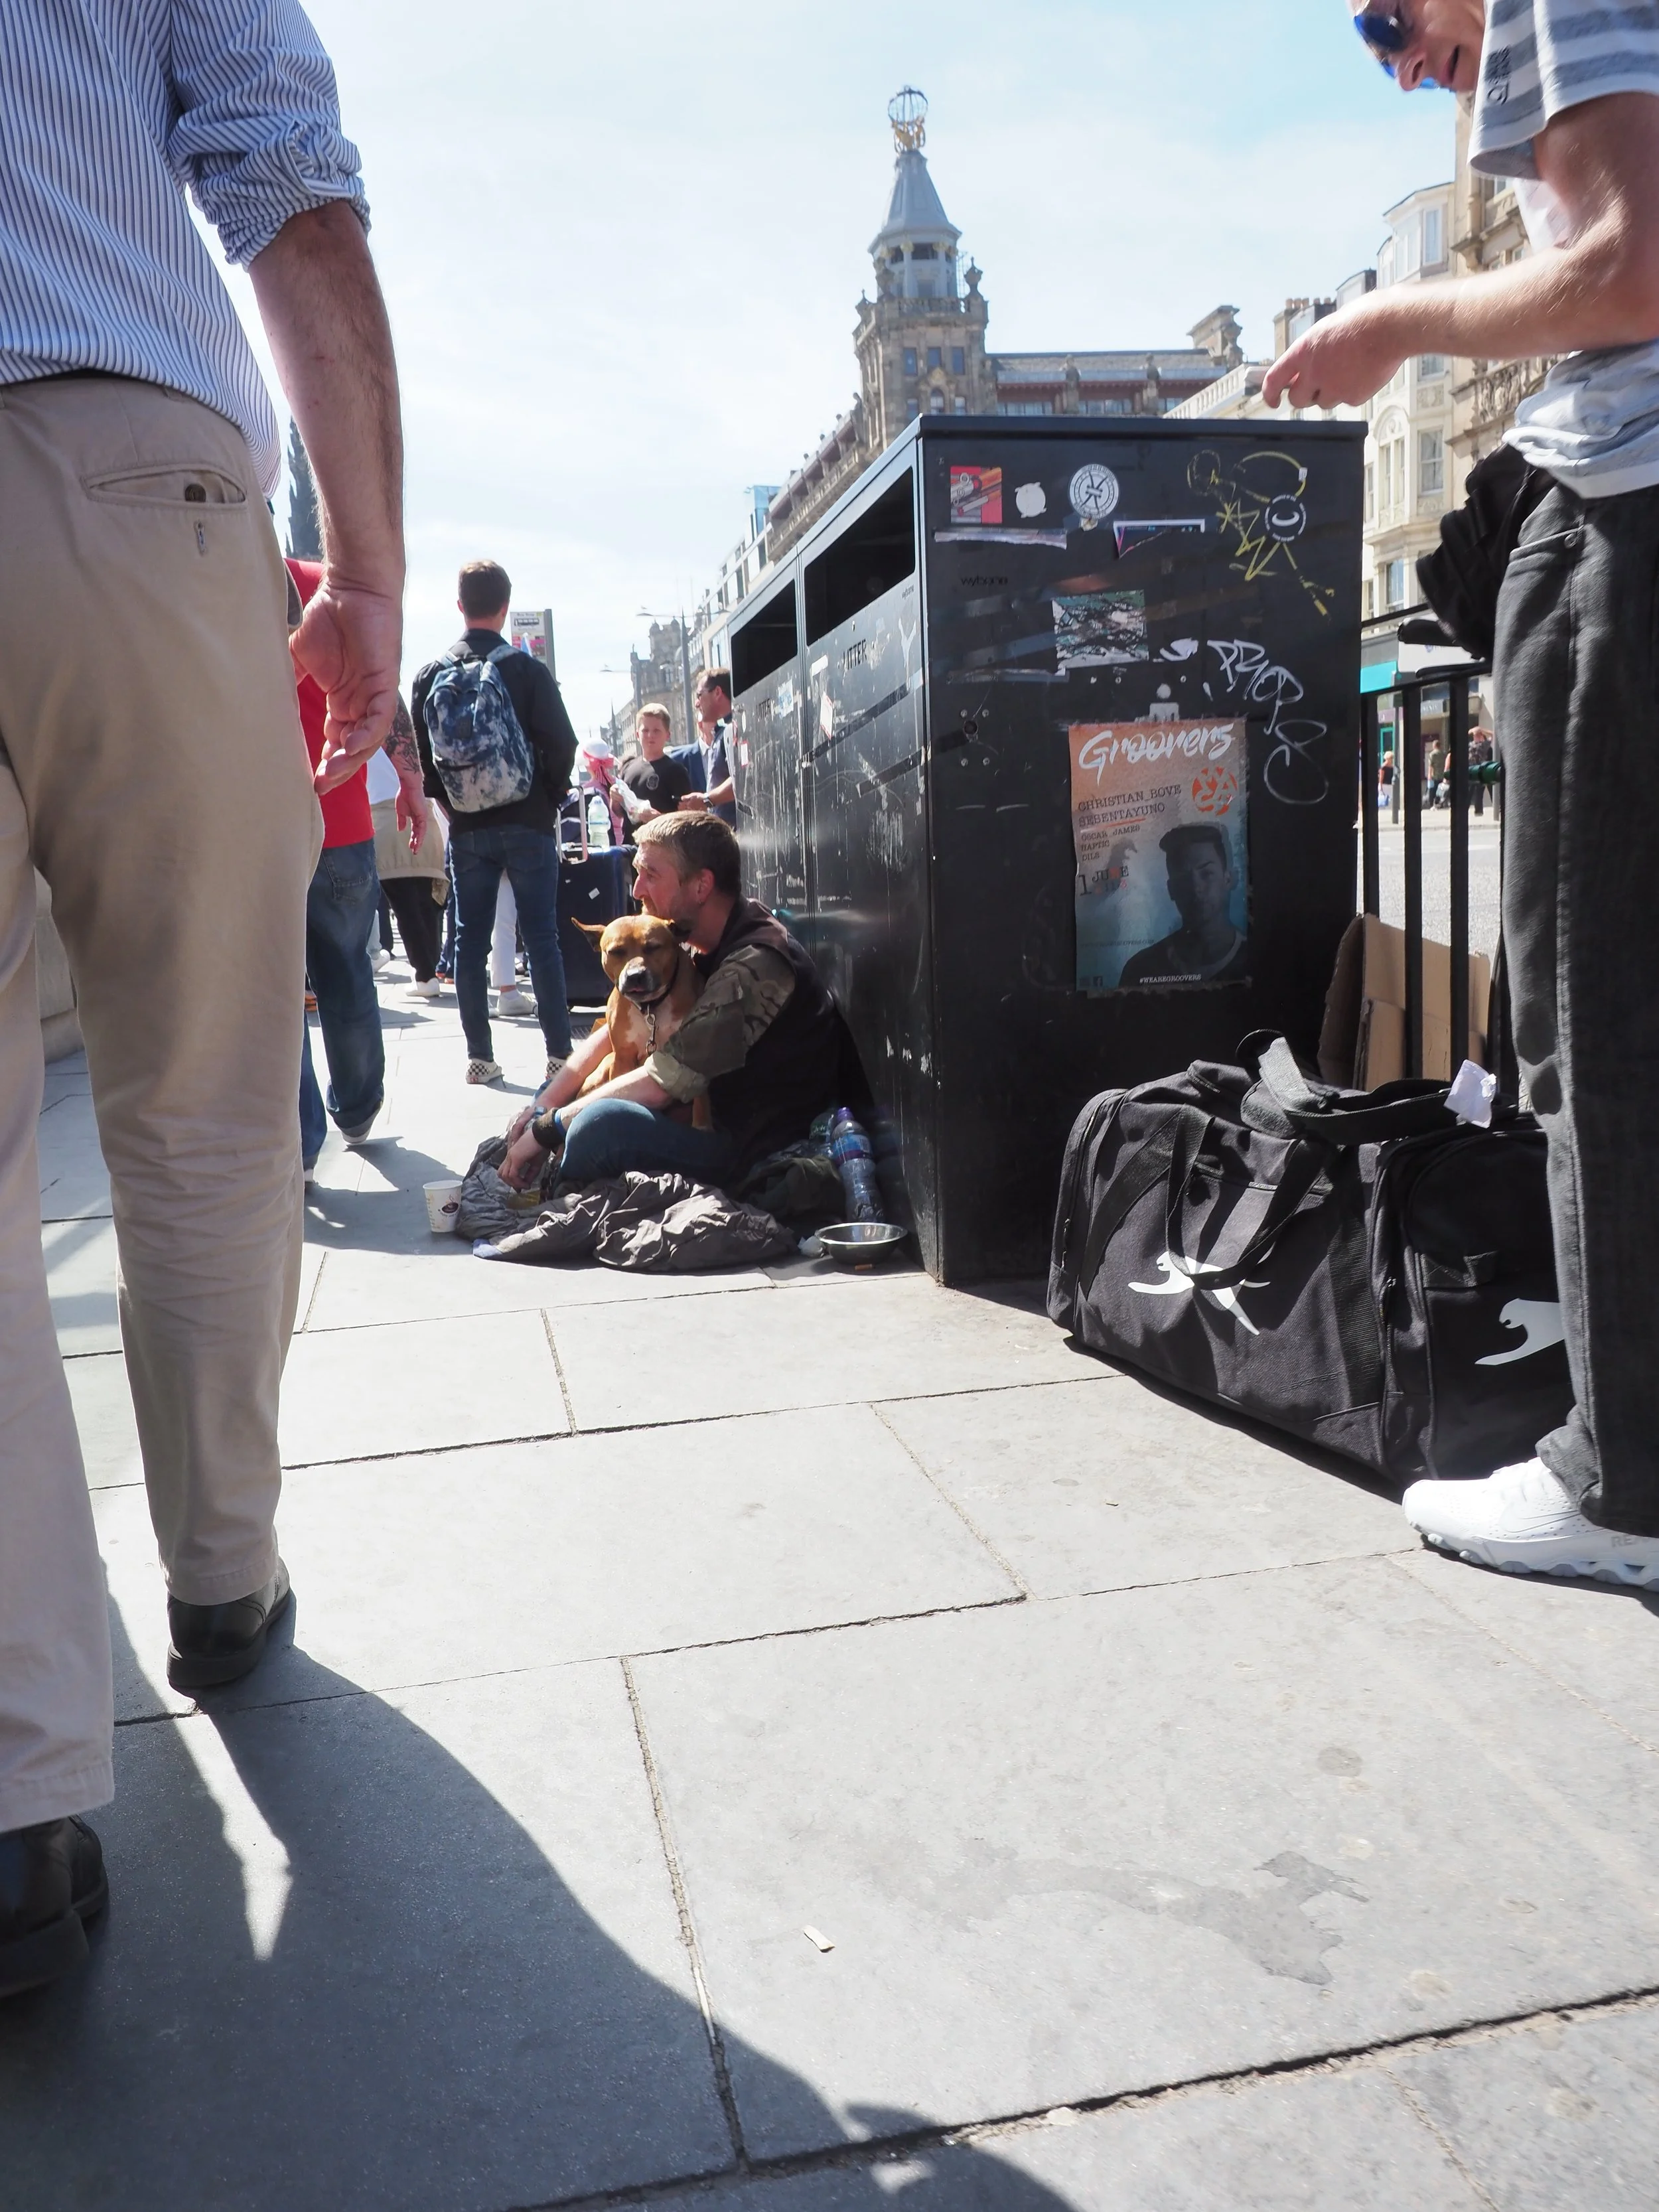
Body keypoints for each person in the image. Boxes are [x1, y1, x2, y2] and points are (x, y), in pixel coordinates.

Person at [0, 5, 402, 1997]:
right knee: (209, 1096)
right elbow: (292, 206)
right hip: (127, 476)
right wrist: (367, 579)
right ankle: (220, 1576)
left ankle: (8, 1794)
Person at [1266, 0, 1659, 1584]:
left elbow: (1627, 263)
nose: (1402, 60)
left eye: (1386, 17)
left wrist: (1402, 322)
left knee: (1591, 1015)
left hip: (1629, 506)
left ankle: (1622, 1480)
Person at [499, 814, 843, 1193]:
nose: (637, 891)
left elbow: (665, 1079)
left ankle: (555, 1173)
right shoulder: (689, 944)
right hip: (696, 1118)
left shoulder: (754, 964)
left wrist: (551, 1128)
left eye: (651, 875)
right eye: (637, 873)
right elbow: (615, 1030)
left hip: (749, 1147)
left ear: (701, 885)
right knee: (554, 1095)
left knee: (599, 1126)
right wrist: (546, 1106)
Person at [411, 563, 578, 1086]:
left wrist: (455, 805)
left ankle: (480, 1058)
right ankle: (557, 1058)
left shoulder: (429, 676)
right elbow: (564, 743)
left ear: (459, 605)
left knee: (469, 941)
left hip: (468, 832)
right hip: (527, 823)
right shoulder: (526, 671)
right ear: (506, 606)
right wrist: (545, 798)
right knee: (542, 938)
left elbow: (423, 760)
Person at [289, 558, 423, 1156]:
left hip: (255, 827)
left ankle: (300, 1140)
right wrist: (412, 782)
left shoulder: (210, 578)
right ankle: (360, 1109)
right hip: (338, 818)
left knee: (274, 992)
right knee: (347, 971)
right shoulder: (326, 581)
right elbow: (383, 690)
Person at [367, 703, 447, 1001]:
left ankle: (424, 975)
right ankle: (430, 968)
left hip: (384, 819)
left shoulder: (364, 736)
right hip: (422, 813)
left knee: (403, 906)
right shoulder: (409, 736)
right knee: (427, 901)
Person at [1118, 826, 1249, 986]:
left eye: (1207, 874)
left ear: (1228, 879)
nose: (1195, 887)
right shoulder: (1140, 970)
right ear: (1171, 890)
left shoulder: (1256, 958)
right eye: (1183, 878)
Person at [614, 704, 692, 843]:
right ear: (637, 735)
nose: (650, 736)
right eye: (645, 730)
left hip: (661, 850)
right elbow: (619, 813)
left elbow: (687, 820)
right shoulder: (627, 767)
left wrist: (658, 819)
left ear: (667, 735)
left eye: (657, 731)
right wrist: (614, 798)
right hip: (630, 850)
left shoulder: (676, 771)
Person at [673, 668, 739, 827]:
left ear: (717, 692)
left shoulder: (735, 728)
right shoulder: (722, 732)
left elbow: (741, 778)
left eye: (699, 696)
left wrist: (706, 799)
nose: (696, 704)